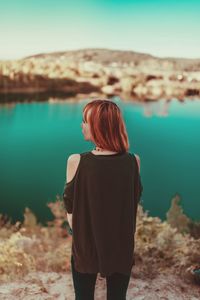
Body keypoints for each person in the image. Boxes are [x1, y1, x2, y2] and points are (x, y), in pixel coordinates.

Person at [63, 99, 143, 300]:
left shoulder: (76, 161)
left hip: (85, 246)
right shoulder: (133, 161)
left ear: (99, 126)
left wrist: (79, 231)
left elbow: (70, 211)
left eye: (85, 121)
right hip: (121, 245)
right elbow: (133, 203)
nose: (81, 125)